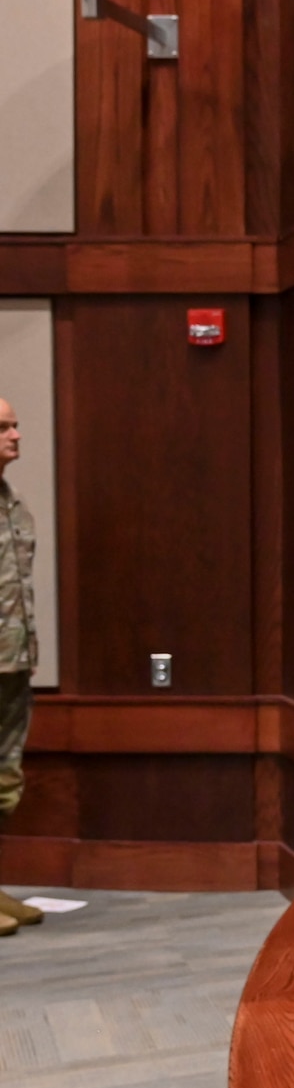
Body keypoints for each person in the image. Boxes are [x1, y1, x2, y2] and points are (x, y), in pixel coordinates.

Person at [0, 398, 44, 939]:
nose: (15, 434)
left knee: (4, 779)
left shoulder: (13, 505)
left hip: (12, 665)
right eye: (3, 426)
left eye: (15, 424)